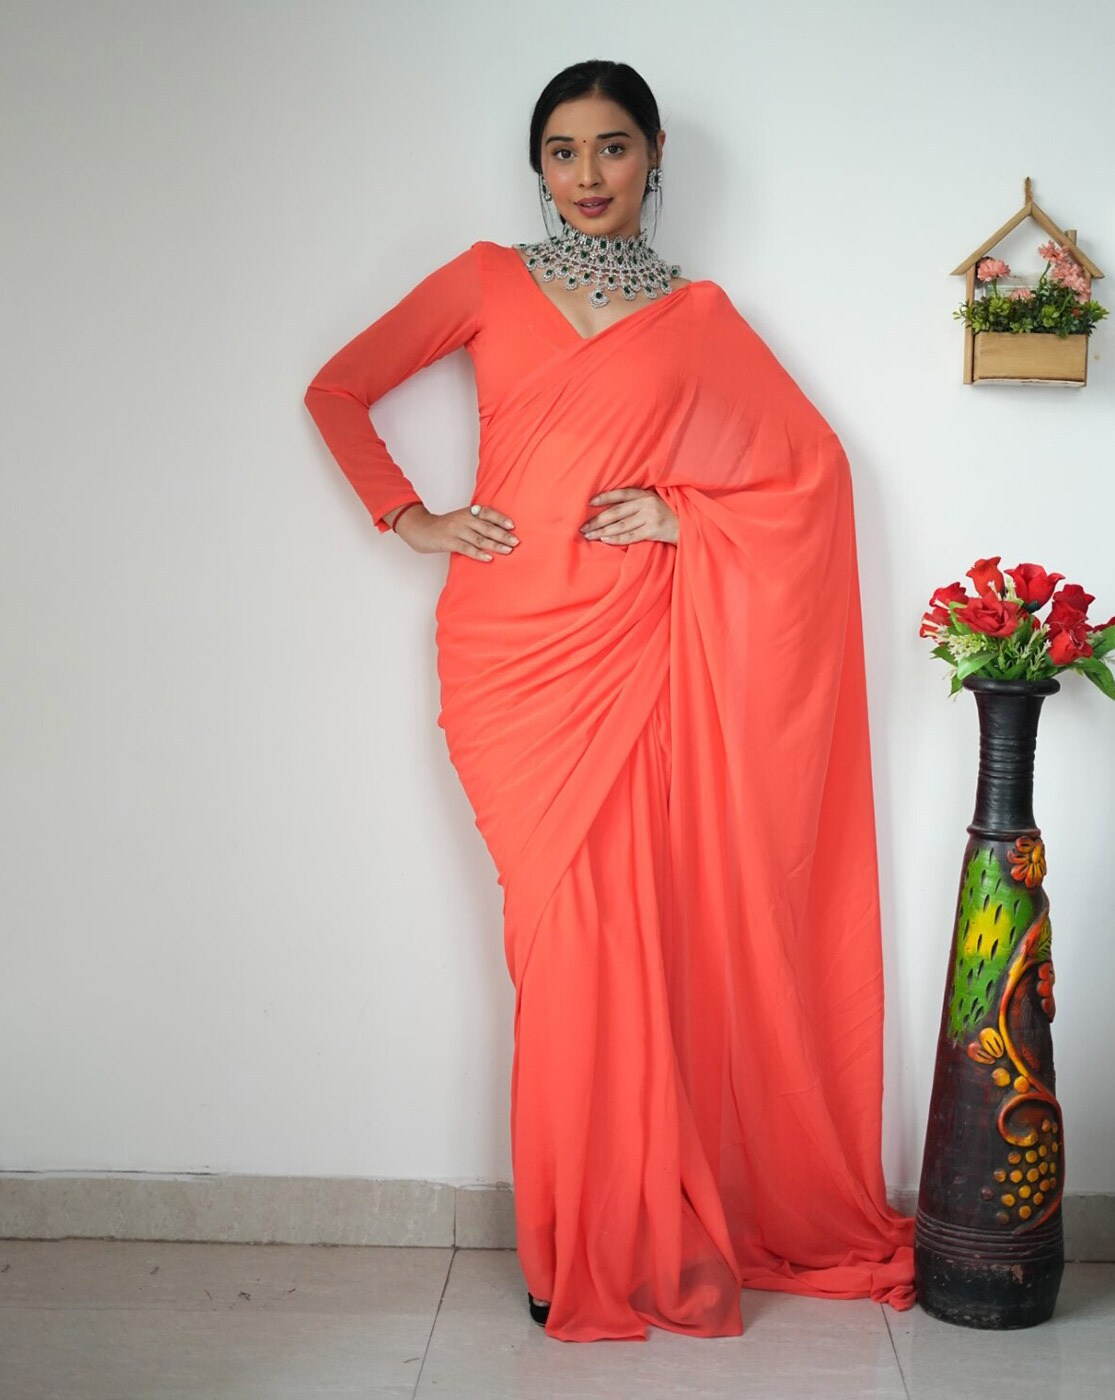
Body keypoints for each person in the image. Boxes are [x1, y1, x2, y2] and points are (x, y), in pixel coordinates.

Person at [303, 59, 916, 1344]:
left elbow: (810, 475)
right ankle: (572, 1233)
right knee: (560, 944)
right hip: (506, 657)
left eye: (613, 146)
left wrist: (686, 516)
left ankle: (601, 1232)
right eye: (563, 151)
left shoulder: (698, 319)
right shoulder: (485, 280)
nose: (587, 175)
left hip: (634, 652)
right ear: (537, 166)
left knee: (620, 946)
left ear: (653, 157)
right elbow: (336, 387)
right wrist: (411, 517)